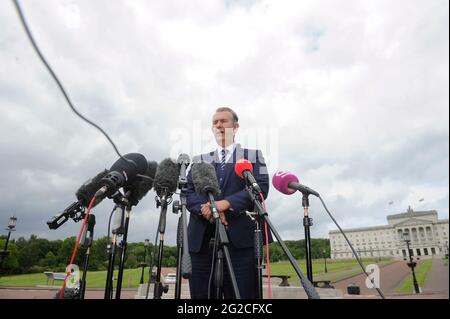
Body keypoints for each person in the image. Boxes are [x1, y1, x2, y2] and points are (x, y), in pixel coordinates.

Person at [186, 107, 270, 299]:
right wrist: (204, 209)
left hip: (241, 243)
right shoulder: (199, 160)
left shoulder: (253, 156)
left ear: (236, 126)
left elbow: (261, 187)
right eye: (215, 122)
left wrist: (226, 204)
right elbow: (188, 192)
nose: (218, 125)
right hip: (202, 242)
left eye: (223, 121)